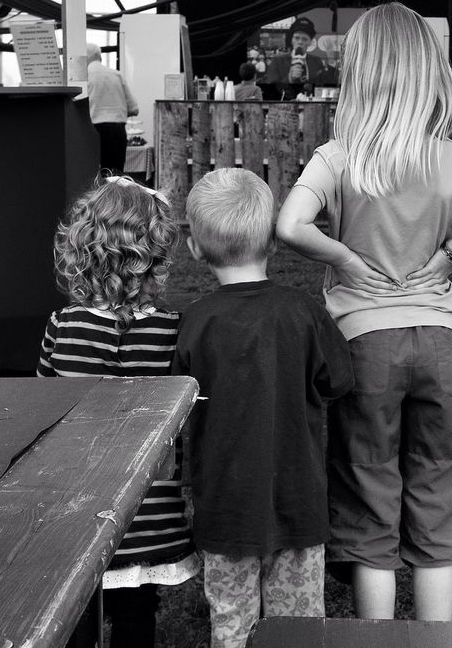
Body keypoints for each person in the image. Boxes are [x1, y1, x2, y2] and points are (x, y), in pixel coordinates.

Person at [275, 2, 452, 622]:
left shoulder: (338, 157)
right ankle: (436, 640)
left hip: (365, 349)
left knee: (370, 492)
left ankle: (377, 640)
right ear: (430, 72)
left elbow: (290, 224)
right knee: (438, 490)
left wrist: (344, 258)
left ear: (360, 72)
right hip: (440, 345)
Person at [174, 168, 353, 648]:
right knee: (297, 628)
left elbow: (176, 407)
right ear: (273, 242)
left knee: (232, 625)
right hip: (299, 501)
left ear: (195, 248)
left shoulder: (195, 322)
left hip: (225, 506)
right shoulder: (304, 312)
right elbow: (338, 380)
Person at [37, 175, 198, 648]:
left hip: (78, 511)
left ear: (80, 249)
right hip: (148, 514)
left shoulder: (62, 327)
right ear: (156, 253)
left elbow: (44, 414)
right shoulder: (175, 333)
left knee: (77, 620)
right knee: (136, 619)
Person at [85, 44, 139, 173]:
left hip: (93, 131)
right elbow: (134, 108)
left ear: (85, 58)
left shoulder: (83, 77)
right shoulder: (116, 75)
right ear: (100, 57)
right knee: (115, 174)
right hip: (117, 130)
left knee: (94, 174)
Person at [263, 17, 329, 100]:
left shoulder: (316, 61)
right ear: (291, 40)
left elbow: (321, 86)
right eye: (297, 38)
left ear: (310, 42)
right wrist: (289, 78)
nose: (300, 42)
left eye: (304, 39)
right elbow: (270, 89)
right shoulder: (278, 61)